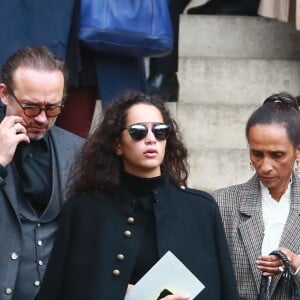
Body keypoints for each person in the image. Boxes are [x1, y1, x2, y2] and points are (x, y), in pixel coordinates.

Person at [37, 91, 239, 299]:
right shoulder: (83, 211)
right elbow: (59, 291)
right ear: (117, 144)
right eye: (138, 132)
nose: (151, 139)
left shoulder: (202, 210)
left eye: (160, 131)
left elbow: (222, 292)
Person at [0, 45, 84, 299]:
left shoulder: (78, 150)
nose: (42, 119)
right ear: (4, 94)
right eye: (31, 107)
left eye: (53, 108)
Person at [212, 92, 300, 299]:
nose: (265, 167)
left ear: (297, 151)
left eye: (277, 155)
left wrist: (295, 265)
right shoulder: (221, 204)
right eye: (257, 154)